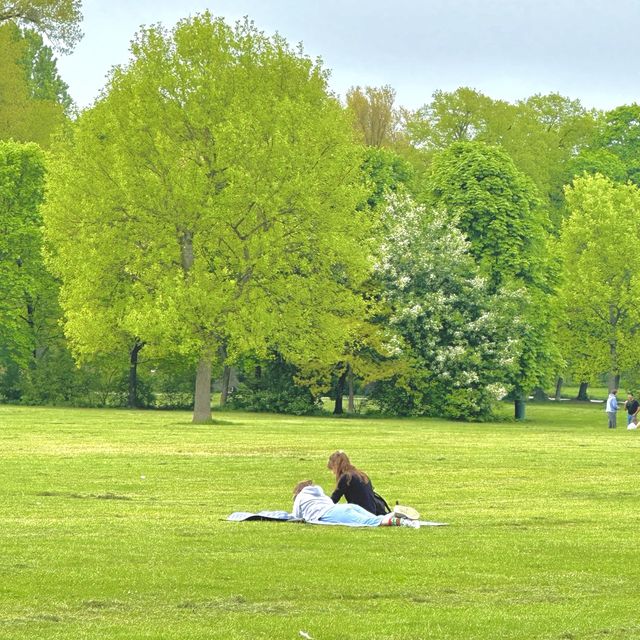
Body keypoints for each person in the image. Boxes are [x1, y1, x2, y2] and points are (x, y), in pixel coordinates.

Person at [327, 450, 420, 519]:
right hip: (372, 510)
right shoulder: (360, 474)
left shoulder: (346, 477)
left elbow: (334, 499)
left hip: (362, 513)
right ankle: (396, 515)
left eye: (332, 469)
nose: (333, 473)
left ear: (336, 466)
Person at [292, 480, 419, 528]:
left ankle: (402, 522)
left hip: (331, 513)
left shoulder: (300, 497)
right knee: (375, 518)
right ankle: (393, 515)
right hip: (346, 507)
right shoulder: (320, 494)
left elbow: (296, 515)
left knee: (372, 523)